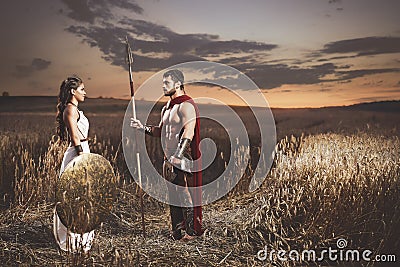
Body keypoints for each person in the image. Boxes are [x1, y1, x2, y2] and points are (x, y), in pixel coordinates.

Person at [130, 69, 203, 241]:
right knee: (174, 195)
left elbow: (189, 132)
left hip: (183, 156)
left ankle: (192, 232)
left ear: (178, 84)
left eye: (166, 83)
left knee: (185, 193)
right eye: (162, 83)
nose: (163, 86)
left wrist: (177, 157)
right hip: (168, 157)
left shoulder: (187, 105)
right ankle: (178, 231)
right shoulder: (167, 108)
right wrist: (142, 127)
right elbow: (161, 132)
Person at [54, 75, 94, 252]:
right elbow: (75, 137)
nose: (85, 93)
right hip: (77, 153)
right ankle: (71, 240)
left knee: (83, 196)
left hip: (83, 149)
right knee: (73, 197)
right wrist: (82, 158)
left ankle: (81, 238)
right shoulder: (70, 110)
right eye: (82, 89)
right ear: (73, 91)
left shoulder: (75, 110)